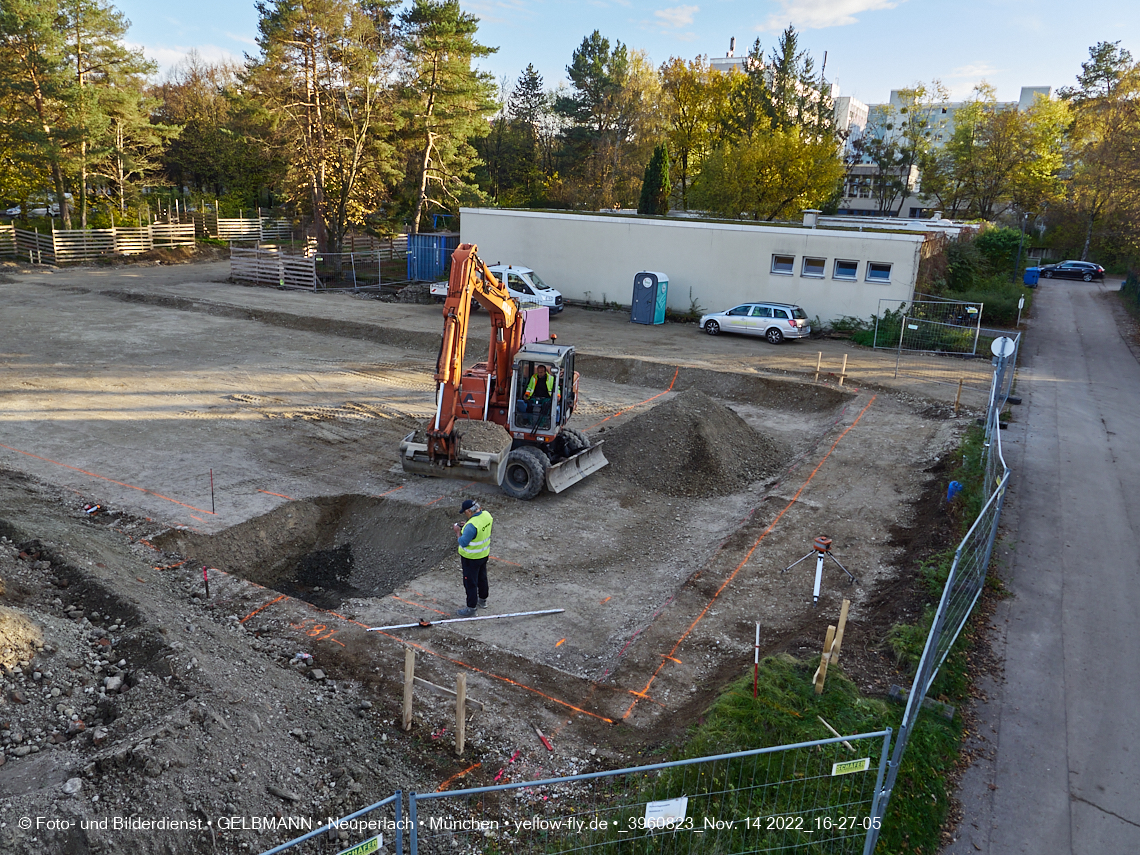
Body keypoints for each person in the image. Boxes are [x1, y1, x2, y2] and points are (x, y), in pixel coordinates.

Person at [453, 498, 493, 616]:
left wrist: (458, 532)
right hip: (483, 555)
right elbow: (479, 529)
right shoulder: (486, 515)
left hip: (471, 558)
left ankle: (471, 608)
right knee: (482, 578)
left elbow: (463, 542)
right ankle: (483, 601)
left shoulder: (471, 525)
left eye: (465, 512)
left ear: (469, 511)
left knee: (470, 582)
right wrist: (467, 527)